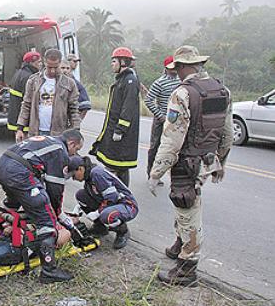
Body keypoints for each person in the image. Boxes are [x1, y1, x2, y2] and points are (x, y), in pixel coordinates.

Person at [148, 46, 232, 286]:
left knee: (187, 207)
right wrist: (220, 162)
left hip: (187, 161)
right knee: (185, 203)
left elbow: (172, 139)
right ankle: (179, 244)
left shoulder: (183, 94)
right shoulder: (221, 90)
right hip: (207, 159)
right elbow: (226, 133)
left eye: (177, 68)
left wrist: (156, 172)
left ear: (183, 67)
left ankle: (187, 268)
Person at [0, 130, 83, 283]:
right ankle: (49, 270)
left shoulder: (49, 140)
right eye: (76, 150)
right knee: (46, 219)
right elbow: (55, 188)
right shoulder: (60, 151)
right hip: (19, 172)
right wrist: (57, 215)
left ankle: (1, 236)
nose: (74, 154)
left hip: (3, 165)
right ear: (71, 143)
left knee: (13, 205)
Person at [89, 47, 140, 186]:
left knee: (119, 166)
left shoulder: (130, 80)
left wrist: (120, 129)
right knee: (117, 166)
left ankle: (121, 194)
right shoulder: (122, 79)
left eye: (113, 61)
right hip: (114, 129)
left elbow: (128, 107)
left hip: (121, 133)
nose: (112, 64)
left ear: (122, 62)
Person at [66, 155, 138, 249]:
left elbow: (112, 197)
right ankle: (100, 227)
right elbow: (92, 194)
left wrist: (97, 213)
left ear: (80, 169)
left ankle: (123, 231)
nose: (74, 179)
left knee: (106, 215)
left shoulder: (97, 174)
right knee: (81, 195)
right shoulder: (88, 177)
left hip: (127, 204)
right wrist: (77, 209)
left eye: (73, 175)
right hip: (112, 202)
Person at [16, 49, 81, 143]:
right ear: (44, 62)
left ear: (60, 63)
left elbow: (74, 109)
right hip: (36, 133)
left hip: (59, 134)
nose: (53, 70)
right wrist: (20, 128)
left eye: (56, 67)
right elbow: (26, 105)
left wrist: (76, 131)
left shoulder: (69, 83)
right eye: (49, 67)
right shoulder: (33, 80)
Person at [144, 55, 180, 178]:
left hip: (175, 120)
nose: (174, 70)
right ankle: (152, 173)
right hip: (161, 119)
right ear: (166, 68)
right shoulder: (159, 83)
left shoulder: (180, 81)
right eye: (171, 68)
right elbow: (148, 100)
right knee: (155, 147)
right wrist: (160, 116)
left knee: (174, 148)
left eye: (175, 67)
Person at [7, 51, 42, 132]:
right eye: (39, 62)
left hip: (15, 116)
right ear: (31, 63)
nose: (41, 64)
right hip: (24, 122)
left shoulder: (20, 73)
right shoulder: (29, 77)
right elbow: (31, 100)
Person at [63, 55, 91, 120]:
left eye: (77, 62)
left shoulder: (74, 82)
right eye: (74, 61)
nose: (76, 64)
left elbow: (86, 104)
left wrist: (78, 121)